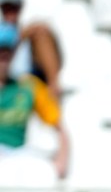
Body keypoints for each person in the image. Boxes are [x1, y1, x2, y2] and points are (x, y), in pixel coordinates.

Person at [0, 23, 69, 177]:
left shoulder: (28, 87)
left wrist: (60, 164)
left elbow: (59, 128)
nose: (3, 56)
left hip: (16, 158)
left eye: (7, 51)